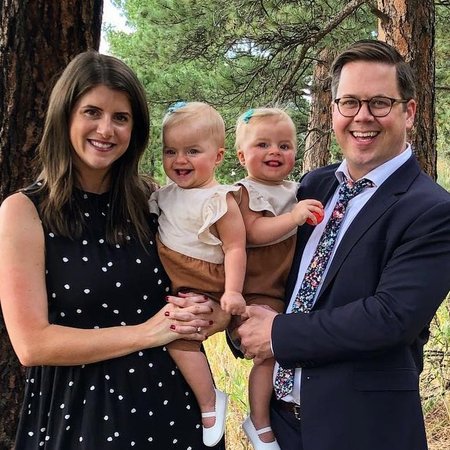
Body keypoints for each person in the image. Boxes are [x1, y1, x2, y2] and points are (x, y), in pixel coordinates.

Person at [0, 51, 228, 450]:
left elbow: (207, 276)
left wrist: (213, 314)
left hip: (173, 406)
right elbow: (32, 344)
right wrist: (145, 333)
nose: (106, 129)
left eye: (120, 117)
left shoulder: (153, 200)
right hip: (81, 413)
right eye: (92, 112)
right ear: (65, 116)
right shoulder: (25, 211)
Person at [236, 39, 450, 450]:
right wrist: (239, 317)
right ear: (333, 110)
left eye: (380, 103)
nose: (362, 117)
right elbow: (271, 268)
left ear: (409, 112)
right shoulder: (312, 186)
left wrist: (278, 333)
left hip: (362, 430)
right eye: (349, 102)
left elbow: (390, 317)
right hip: (280, 426)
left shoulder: (432, 210)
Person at [149, 101, 247, 446]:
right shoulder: (163, 196)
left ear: (218, 156)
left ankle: (209, 402)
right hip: (179, 278)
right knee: (177, 336)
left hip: (205, 280)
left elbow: (235, 248)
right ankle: (208, 400)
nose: (180, 160)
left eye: (192, 151)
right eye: (170, 151)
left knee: (179, 337)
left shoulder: (219, 200)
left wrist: (232, 292)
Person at [233, 107, 323, 450]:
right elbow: (253, 232)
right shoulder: (243, 193)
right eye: (263, 145)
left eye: (284, 146)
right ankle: (258, 421)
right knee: (268, 354)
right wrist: (294, 218)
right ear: (242, 156)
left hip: (283, 288)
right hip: (255, 289)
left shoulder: (295, 189)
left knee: (286, 349)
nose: (275, 151)